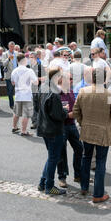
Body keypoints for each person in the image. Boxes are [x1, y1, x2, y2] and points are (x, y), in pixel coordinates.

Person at [73, 68, 111, 202]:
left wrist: (83, 122)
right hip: (102, 132)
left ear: (92, 79)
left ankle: (84, 187)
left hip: (87, 129)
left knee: (86, 157)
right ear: (104, 79)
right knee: (100, 162)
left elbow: (76, 112)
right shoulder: (109, 95)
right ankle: (98, 194)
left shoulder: (83, 91)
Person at [36, 67, 69, 195]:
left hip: (44, 127)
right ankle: (49, 186)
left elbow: (37, 107)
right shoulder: (53, 93)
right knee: (53, 158)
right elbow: (57, 115)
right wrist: (65, 110)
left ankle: (42, 183)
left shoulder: (42, 88)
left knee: (51, 157)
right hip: (53, 129)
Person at [56, 71, 83, 188]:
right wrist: (67, 115)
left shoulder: (71, 92)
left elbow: (75, 107)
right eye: (69, 79)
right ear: (61, 80)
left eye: (72, 79)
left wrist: (76, 112)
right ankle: (62, 177)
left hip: (72, 125)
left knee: (79, 148)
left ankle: (78, 174)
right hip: (61, 126)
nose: (71, 81)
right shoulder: (57, 93)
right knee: (61, 152)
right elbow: (56, 112)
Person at [11, 53, 38, 136]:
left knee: (16, 113)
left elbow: (13, 83)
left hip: (18, 94)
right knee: (26, 114)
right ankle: (23, 131)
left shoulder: (14, 71)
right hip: (26, 94)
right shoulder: (29, 71)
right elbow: (36, 82)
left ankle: (14, 127)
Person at [2, 42, 18, 110]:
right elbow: (3, 64)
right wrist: (8, 59)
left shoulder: (16, 53)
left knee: (18, 90)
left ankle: (18, 103)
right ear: (8, 46)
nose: (12, 47)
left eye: (13, 46)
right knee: (10, 90)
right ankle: (12, 104)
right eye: (10, 46)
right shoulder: (5, 54)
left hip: (17, 74)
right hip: (9, 75)